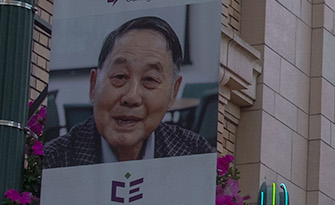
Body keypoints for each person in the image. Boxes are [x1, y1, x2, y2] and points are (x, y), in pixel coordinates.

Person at [44, 16, 215, 167]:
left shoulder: (195, 155)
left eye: (150, 79)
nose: (131, 97)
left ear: (173, 92)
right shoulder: (54, 161)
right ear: (93, 85)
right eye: (120, 76)